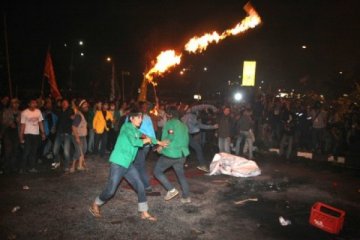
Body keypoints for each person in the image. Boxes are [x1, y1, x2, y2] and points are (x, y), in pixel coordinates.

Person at [89, 108, 167, 220]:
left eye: (141, 118)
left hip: (128, 164)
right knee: (111, 191)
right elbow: (134, 142)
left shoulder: (136, 130)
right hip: (118, 162)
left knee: (140, 185)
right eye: (138, 118)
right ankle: (95, 204)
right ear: (132, 119)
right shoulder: (126, 127)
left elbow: (147, 137)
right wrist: (146, 141)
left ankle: (144, 212)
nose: (141, 120)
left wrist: (159, 142)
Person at [154, 106, 191, 203]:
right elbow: (186, 139)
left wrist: (160, 147)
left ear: (169, 115)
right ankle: (186, 197)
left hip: (171, 154)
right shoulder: (183, 125)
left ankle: (171, 189)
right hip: (182, 154)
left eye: (166, 113)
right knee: (181, 175)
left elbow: (170, 137)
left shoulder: (170, 123)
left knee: (157, 172)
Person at [181, 104, 218, 172]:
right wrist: (212, 107)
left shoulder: (187, 115)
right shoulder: (191, 114)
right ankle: (202, 164)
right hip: (184, 135)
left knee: (188, 149)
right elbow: (199, 125)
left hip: (185, 134)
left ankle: (181, 164)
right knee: (195, 148)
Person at [133, 101, 157, 193]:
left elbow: (150, 132)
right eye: (144, 107)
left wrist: (153, 143)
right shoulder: (147, 117)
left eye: (146, 107)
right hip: (143, 144)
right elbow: (151, 132)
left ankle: (146, 186)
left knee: (139, 165)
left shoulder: (137, 118)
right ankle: (141, 184)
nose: (145, 108)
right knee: (138, 164)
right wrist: (153, 144)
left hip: (141, 144)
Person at [19, 99, 46, 173]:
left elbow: (40, 123)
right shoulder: (24, 112)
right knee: (26, 151)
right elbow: (22, 125)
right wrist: (21, 137)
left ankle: (32, 167)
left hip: (36, 134)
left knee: (34, 152)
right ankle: (22, 168)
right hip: (27, 134)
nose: (34, 104)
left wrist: (43, 133)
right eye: (32, 103)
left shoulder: (38, 111)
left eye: (35, 103)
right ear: (29, 104)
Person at [52, 99, 74, 172]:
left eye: (66, 103)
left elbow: (72, 117)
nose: (64, 104)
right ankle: (57, 162)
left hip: (67, 133)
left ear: (68, 104)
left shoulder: (70, 111)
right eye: (63, 103)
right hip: (59, 133)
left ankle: (67, 166)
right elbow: (53, 109)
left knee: (66, 151)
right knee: (55, 150)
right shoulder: (60, 111)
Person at [1, 98, 21, 173]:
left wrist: (18, 122)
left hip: (16, 133)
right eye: (14, 103)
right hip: (8, 132)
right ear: (11, 104)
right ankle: (5, 167)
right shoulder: (6, 111)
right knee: (8, 150)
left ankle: (13, 167)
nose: (16, 104)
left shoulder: (20, 112)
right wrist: (10, 123)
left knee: (15, 150)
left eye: (17, 103)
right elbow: (3, 121)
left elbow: (22, 123)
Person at [70, 99, 89, 172]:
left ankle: (80, 166)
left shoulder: (82, 114)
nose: (86, 106)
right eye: (84, 105)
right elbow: (73, 127)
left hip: (83, 136)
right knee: (78, 151)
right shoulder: (79, 115)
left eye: (86, 104)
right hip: (77, 136)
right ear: (81, 106)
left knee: (83, 150)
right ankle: (72, 166)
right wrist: (77, 138)